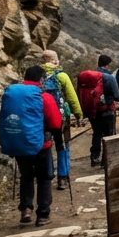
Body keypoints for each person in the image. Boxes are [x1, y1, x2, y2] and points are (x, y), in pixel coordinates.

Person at [0, 65, 61, 227]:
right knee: (44, 178)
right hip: (41, 145)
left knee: (26, 176)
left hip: (18, 143)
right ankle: (43, 215)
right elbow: (55, 123)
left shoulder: (12, 94)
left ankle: (26, 209)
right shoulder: (43, 97)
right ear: (41, 79)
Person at [41, 49, 81, 190]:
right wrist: (78, 113)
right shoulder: (61, 75)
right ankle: (62, 178)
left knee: (46, 145)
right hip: (60, 117)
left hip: (43, 117)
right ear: (55, 60)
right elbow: (71, 96)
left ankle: (48, 173)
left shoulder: (37, 74)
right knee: (63, 145)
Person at [78, 54, 119, 166]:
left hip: (93, 110)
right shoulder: (109, 77)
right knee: (109, 135)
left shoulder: (92, 78)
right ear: (108, 64)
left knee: (97, 134)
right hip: (107, 110)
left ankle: (94, 157)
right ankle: (106, 160)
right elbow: (117, 95)